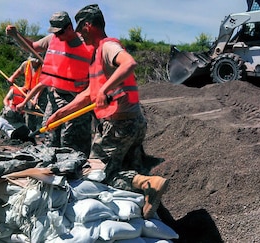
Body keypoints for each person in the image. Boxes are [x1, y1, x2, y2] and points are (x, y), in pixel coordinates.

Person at [45, 4, 168, 219]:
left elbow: (129, 63)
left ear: (89, 25)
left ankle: (150, 184)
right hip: (133, 122)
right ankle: (145, 207)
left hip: (118, 125)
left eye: (80, 27)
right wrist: (61, 113)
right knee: (128, 168)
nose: (79, 33)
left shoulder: (107, 46)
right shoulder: (96, 54)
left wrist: (105, 89)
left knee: (97, 173)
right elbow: (88, 94)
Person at [6, 11, 94, 156]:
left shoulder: (87, 43)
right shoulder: (52, 39)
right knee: (50, 137)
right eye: (54, 32)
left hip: (77, 100)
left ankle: (75, 173)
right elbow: (32, 47)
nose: (57, 36)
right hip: (55, 96)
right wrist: (16, 35)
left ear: (70, 28)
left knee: (72, 143)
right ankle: (50, 171)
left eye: (59, 32)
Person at [6, 56, 46, 131]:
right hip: (28, 92)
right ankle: (29, 131)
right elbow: (19, 71)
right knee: (28, 112)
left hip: (42, 93)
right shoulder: (26, 64)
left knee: (39, 114)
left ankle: (40, 132)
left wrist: (36, 98)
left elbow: (42, 85)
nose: (34, 63)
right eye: (33, 61)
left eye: (36, 61)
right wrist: (12, 77)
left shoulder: (44, 67)